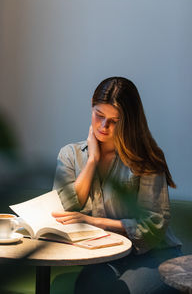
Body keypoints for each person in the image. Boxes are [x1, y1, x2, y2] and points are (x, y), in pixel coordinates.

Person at [52, 77, 182, 294]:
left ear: (129, 121)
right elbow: (64, 211)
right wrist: (92, 160)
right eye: (99, 115)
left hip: (152, 255)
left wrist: (93, 221)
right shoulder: (70, 155)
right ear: (91, 106)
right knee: (86, 287)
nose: (104, 126)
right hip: (104, 257)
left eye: (115, 120)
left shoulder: (146, 160)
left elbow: (154, 225)